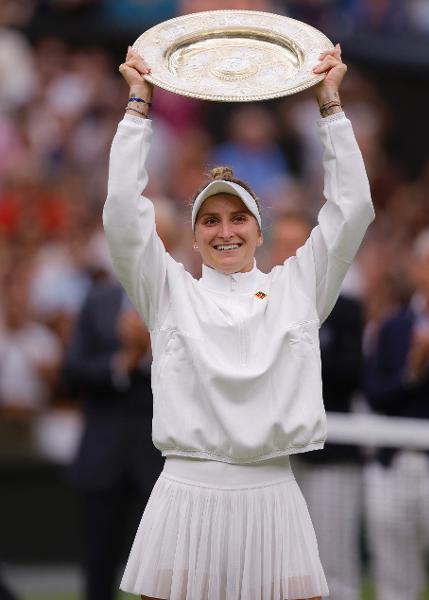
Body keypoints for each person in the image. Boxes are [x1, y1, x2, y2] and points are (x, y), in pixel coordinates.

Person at [102, 43, 374, 600]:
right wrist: (138, 107)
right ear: (193, 234)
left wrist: (330, 107)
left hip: (273, 493)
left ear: (258, 229)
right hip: (186, 491)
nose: (224, 230)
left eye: (237, 218)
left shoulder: (299, 287)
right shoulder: (168, 290)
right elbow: (122, 217)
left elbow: (352, 211)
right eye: (209, 219)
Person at [268, 212, 365, 600]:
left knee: (335, 564)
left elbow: (349, 374)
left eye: (298, 246)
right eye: (282, 246)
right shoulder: (256, 301)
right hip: (274, 455)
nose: (289, 255)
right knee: (276, 565)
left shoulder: (345, 306)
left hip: (330, 455)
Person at [364, 223, 429, 600]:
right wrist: (413, 371)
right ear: (416, 270)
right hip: (393, 467)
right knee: (395, 581)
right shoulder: (392, 327)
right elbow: (376, 395)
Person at [64, 277, 164, 600]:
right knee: (99, 567)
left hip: (161, 463)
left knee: (163, 572)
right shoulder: (98, 302)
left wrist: (151, 353)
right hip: (102, 458)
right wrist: (125, 362)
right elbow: (73, 371)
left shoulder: (182, 298)